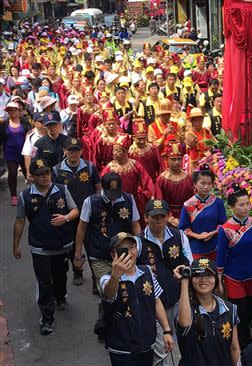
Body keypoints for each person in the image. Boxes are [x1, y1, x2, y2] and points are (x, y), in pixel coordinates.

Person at [13, 158, 79, 335]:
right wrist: (16, 246)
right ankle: (47, 318)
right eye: (40, 175)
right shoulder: (25, 196)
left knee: (60, 274)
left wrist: (65, 218)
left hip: (61, 244)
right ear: (32, 177)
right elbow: (20, 222)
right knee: (43, 282)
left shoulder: (62, 190)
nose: (45, 177)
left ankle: (60, 296)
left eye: (47, 173)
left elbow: (75, 211)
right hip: (39, 246)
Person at [75, 173, 141, 341]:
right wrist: (78, 254)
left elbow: (135, 225)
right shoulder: (91, 202)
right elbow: (82, 228)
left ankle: (118, 321)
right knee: (108, 289)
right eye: (110, 193)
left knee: (123, 288)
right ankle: (106, 324)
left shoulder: (128, 199)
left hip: (124, 254)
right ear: (102, 188)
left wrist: (140, 249)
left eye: (116, 192)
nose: (114, 197)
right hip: (99, 255)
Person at [100, 232, 174, 365]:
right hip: (121, 349)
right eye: (122, 250)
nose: (129, 253)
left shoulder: (147, 271)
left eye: (132, 247)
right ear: (113, 254)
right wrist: (115, 275)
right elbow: (108, 295)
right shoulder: (107, 279)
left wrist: (167, 330)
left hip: (147, 344)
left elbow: (156, 301)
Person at [138, 199, 192, 366]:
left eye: (163, 216)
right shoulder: (138, 242)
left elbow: (189, 261)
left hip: (178, 299)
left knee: (185, 338)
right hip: (154, 304)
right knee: (161, 346)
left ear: (169, 216)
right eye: (154, 217)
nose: (159, 221)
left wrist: (183, 270)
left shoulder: (179, 235)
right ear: (146, 218)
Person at [216, 186, 252, 349]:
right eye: (241, 205)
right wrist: (219, 278)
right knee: (241, 314)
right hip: (233, 278)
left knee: (250, 312)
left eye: (248, 204)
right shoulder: (225, 229)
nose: (246, 208)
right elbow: (221, 255)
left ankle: (243, 343)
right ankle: (245, 348)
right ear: (232, 207)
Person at [173, 259, 241, 366]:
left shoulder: (230, 309)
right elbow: (185, 323)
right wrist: (184, 282)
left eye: (209, 275)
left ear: (216, 280)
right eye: (198, 275)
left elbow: (234, 347)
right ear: (192, 279)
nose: (203, 279)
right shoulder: (184, 307)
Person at [52, 137, 101, 286]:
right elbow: (55, 193)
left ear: (81, 151)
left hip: (90, 215)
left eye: (77, 151)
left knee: (93, 246)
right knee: (74, 246)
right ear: (64, 151)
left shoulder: (90, 167)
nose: (74, 154)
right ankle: (77, 272)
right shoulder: (57, 170)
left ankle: (96, 279)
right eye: (70, 151)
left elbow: (98, 189)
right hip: (70, 215)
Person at [101, 134, 156, 228]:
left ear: (125, 152)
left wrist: (144, 196)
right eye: (114, 150)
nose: (114, 153)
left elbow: (147, 182)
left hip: (133, 201)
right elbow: (102, 186)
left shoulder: (135, 165)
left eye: (117, 150)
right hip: (114, 202)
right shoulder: (109, 168)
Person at [178, 166, 227, 261]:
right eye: (203, 183)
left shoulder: (218, 202)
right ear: (195, 184)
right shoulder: (188, 205)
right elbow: (183, 229)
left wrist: (212, 233)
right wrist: (197, 236)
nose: (206, 187)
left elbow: (223, 224)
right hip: (196, 249)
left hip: (215, 247)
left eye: (209, 183)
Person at [154, 141, 194, 227]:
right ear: (167, 159)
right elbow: (159, 202)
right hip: (166, 219)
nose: (177, 162)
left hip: (186, 216)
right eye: (173, 159)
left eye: (179, 159)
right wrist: (171, 219)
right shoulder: (161, 180)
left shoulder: (188, 178)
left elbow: (192, 201)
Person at [1, 101, 30, 205]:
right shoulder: (4, 124)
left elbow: (30, 136)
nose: (12, 111)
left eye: (15, 109)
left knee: (28, 173)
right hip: (10, 153)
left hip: (24, 153)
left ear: (19, 111)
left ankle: (31, 194)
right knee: (12, 173)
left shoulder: (25, 122)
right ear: (7, 112)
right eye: (10, 110)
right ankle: (13, 195)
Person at [184, 107, 215, 172]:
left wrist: (211, 149)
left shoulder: (207, 131)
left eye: (200, 120)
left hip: (208, 161)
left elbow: (215, 143)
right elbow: (188, 148)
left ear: (202, 120)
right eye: (195, 120)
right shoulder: (189, 134)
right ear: (192, 121)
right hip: (194, 163)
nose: (198, 122)